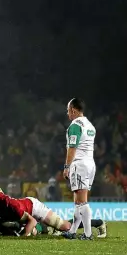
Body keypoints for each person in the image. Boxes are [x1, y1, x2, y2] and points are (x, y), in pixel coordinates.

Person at [62, 98, 97, 240]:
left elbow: (72, 147)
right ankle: (72, 231)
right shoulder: (90, 125)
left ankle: (88, 234)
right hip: (90, 164)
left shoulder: (75, 125)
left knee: (82, 201)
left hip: (80, 164)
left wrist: (67, 167)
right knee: (78, 201)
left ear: (73, 110)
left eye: (68, 110)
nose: (67, 114)